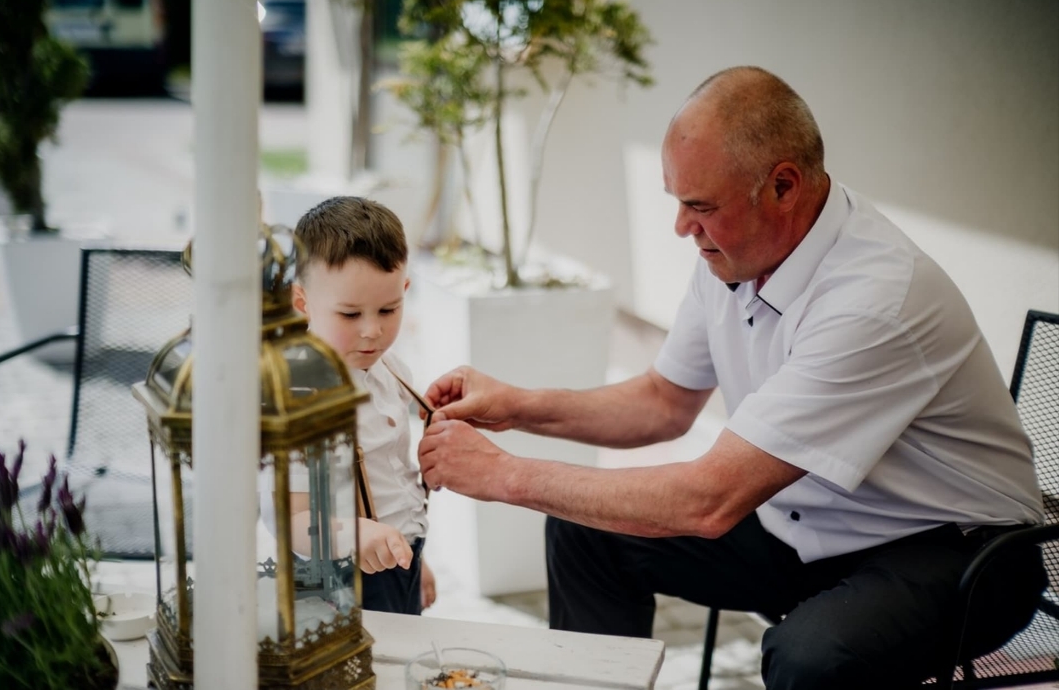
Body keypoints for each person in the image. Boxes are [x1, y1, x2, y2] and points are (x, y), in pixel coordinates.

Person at [417, 67, 1046, 688]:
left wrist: (503, 475)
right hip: (805, 524)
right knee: (586, 529)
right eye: (677, 201)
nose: (682, 227)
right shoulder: (735, 251)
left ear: (783, 186)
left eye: (700, 206)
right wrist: (515, 406)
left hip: (956, 553)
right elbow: (663, 403)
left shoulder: (875, 297)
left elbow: (709, 500)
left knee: (811, 658)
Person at [260, 196, 435, 615]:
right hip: (337, 581)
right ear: (303, 302)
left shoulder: (392, 370)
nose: (372, 331)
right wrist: (355, 536)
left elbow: (391, 483)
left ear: (404, 291)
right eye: (350, 314)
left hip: (397, 563)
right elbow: (290, 519)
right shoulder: (301, 397)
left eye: (388, 309)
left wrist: (414, 559)